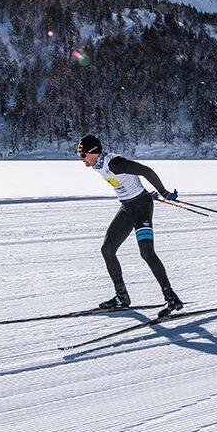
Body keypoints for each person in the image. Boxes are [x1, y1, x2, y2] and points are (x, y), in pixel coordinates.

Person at [77, 134, 183, 313]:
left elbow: (146, 170)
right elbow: (129, 181)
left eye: (83, 155)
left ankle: (171, 297)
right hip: (127, 208)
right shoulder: (97, 164)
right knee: (107, 249)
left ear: (94, 152)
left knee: (146, 252)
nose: (82, 160)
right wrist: (142, 191)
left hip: (141, 207)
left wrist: (163, 192)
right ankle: (121, 296)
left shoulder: (114, 163)